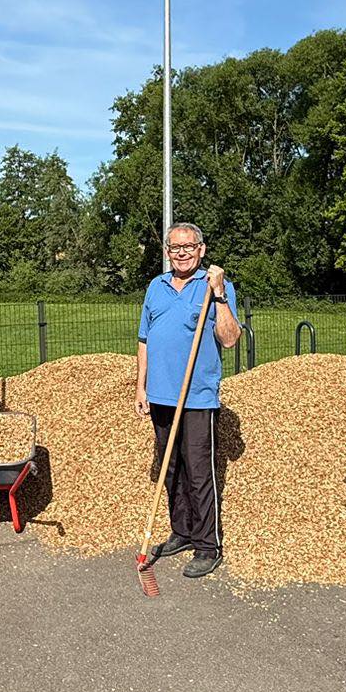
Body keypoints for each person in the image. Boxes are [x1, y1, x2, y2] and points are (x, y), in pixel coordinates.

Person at [135, 223, 242, 579]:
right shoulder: (156, 286)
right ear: (167, 251)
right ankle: (182, 531)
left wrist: (220, 295)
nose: (182, 253)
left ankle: (208, 545)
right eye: (175, 247)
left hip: (197, 397)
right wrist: (141, 387)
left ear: (201, 249)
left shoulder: (216, 287)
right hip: (161, 396)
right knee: (172, 470)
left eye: (189, 246)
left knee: (199, 472)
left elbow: (230, 339)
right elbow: (144, 340)